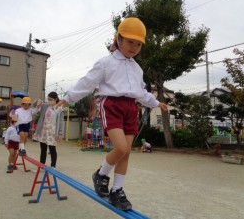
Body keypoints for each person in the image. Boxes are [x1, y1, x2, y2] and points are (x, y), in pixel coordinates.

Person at [57, 17, 168, 211]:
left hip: (131, 108)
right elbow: (88, 82)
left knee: (126, 153)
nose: (134, 47)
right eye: (130, 42)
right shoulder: (105, 63)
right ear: (118, 39)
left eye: (138, 44)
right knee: (121, 147)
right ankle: (101, 174)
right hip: (112, 105)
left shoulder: (137, 68)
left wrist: (156, 102)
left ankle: (117, 190)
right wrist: (70, 97)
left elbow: (141, 93)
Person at [33, 92, 66, 168]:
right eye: (48, 99)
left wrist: (60, 133)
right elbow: (34, 105)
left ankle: (53, 166)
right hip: (44, 131)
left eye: (51, 99)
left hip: (52, 133)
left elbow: (61, 122)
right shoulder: (45, 106)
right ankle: (42, 165)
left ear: (56, 99)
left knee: (52, 150)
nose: (49, 101)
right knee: (43, 149)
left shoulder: (59, 109)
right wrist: (38, 102)